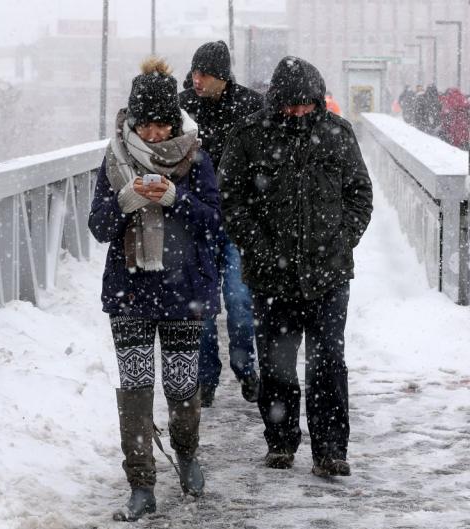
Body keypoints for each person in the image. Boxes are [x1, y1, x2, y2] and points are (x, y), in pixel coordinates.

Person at [218, 56, 373, 477]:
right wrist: (259, 249)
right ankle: (281, 443)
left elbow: (360, 192)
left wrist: (343, 240)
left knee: (327, 364)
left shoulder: (338, 134)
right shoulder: (250, 135)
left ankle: (330, 451)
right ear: (278, 101)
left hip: (329, 273)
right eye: (292, 104)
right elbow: (231, 198)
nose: (300, 111)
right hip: (272, 276)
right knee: (277, 363)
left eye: (307, 103)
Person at [88, 57, 221, 521]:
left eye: (162, 125)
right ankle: (141, 483)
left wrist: (174, 198)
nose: (154, 135)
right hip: (130, 293)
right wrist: (126, 201)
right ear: (133, 122)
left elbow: (214, 223)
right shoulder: (113, 159)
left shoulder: (196, 156)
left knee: (183, 387)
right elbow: (98, 227)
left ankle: (186, 455)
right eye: (145, 126)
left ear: (174, 121)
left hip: (184, 290)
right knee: (137, 388)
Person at [179, 40, 264, 407]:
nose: (197, 80)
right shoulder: (182, 107)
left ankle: (245, 368)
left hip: (237, 221)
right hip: (197, 221)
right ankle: (206, 377)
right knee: (202, 307)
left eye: (205, 74)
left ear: (222, 77)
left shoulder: (251, 107)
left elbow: (264, 163)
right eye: (194, 72)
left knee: (239, 300)